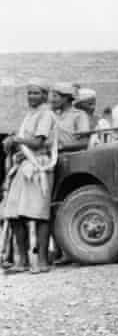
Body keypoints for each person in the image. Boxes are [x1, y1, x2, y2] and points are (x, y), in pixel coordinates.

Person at [1, 78, 57, 274]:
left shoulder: (46, 114)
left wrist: (16, 139)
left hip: (39, 164)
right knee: (13, 213)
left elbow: (37, 143)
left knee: (39, 214)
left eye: (36, 93)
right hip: (24, 165)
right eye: (29, 93)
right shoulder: (30, 115)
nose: (31, 96)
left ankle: (42, 261)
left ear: (45, 95)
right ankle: (22, 260)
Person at [52, 83, 90, 152]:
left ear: (65, 98)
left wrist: (61, 146)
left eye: (55, 96)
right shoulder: (53, 115)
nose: (52, 100)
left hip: (70, 156)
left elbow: (84, 142)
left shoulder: (79, 115)